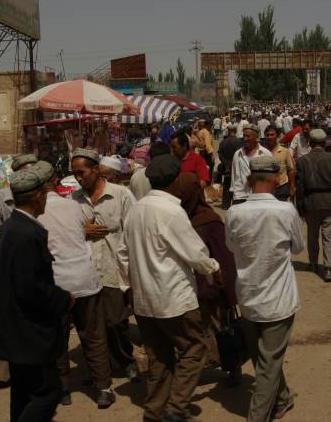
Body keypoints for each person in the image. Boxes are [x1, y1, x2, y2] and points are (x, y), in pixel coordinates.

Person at [117, 154, 222, 422]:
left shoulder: (136, 210)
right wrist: (213, 268)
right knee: (194, 349)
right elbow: (195, 253)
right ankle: (176, 409)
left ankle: (154, 411)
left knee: (159, 356)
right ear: (176, 180)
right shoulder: (172, 212)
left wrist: (127, 286)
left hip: (144, 300)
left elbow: (122, 254)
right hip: (173, 298)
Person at [0, 167, 74, 422]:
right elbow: (30, 287)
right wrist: (63, 299)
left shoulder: (11, 227)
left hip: (16, 329)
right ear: (39, 197)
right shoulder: (26, 232)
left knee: (24, 393)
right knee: (48, 392)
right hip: (28, 332)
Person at [225, 156, 304, 422]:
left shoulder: (234, 212)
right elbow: (298, 247)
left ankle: (282, 399)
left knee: (263, 358)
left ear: (248, 180)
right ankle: (258, 416)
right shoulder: (286, 211)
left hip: (248, 296)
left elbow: (231, 247)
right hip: (278, 300)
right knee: (268, 362)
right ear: (278, 179)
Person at [34, 160, 107, 408]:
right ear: (55, 181)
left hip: (58, 282)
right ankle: (103, 388)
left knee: (58, 337)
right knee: (94, 336)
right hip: (84, 277)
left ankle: (63, 390)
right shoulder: (73, 206)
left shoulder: (35, 213)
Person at [71, 148, 138, 405]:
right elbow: (67, 232)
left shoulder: (121, 195)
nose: (78, 178)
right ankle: (100, 372)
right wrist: (82, 230)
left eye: (81, 172)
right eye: (74, 173)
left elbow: (132, 230)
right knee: (90, 326)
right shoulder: (74, 201)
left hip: (114, 267)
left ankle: (125, 359)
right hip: (86, 269)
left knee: (115, 321)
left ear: (96, 169)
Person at [166, 172, 240, 385]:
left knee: (222, 330)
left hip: (210, 289)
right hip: (188, 288)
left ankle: (232, 367)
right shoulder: (178, 219)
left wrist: (228, 291)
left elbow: (224, 258)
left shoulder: (211, 221)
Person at [0, 153, 38, 394]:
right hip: (3, 269)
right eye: (24, 171)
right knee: (0, 321)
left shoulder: (43, 197)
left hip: (35, 269)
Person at [295, 129, 331, 282]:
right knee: (328, 236)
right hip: (330, 201)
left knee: (312, 234)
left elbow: (300, 187)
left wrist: (300, 206)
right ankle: (328, 269)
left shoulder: (302, 161)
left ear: (310, 142)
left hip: (311, 202)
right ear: (324, 143)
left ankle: (313, 263)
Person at [230, 124, 272, 205]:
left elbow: (271, 177)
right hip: (240, 196)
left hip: (259, 197)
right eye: (244, 136)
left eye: (248, 136)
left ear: (256, 137)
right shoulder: (238, 154)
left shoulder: (265, 154)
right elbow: (234, 177)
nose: (245, 139)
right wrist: (233, 197)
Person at [264, 125, 296, 202]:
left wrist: (292, 187)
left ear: (277, 136)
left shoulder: (285, 151)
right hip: (266, 189)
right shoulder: (262, 152)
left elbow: (291, 170)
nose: (269, 137)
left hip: (281, 188)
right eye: (267, 135)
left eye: (272, 135)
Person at [218, 124, 244, 209]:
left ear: (228, 131)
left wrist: (226, 164)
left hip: (227, 168)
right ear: (236, 131)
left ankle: (225, 205)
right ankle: (237, 204)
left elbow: (220, 154)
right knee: (238, 185)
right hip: (237, 167)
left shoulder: (223, 142)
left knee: (227, 186)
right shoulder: (239, 142)